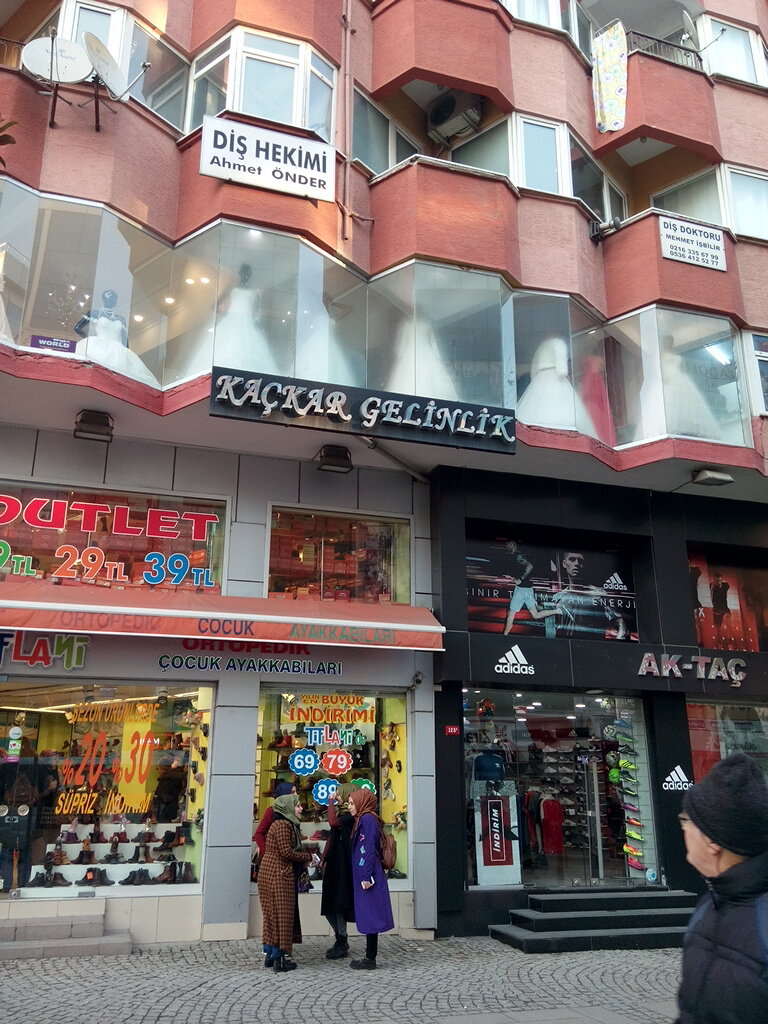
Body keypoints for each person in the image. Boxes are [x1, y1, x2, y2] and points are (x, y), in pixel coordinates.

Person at [675, 753, 768, 1024]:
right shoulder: (710, 904)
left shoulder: (762, 924)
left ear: (712, 841)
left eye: (686, 820)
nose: (683, 829)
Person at [257, 793, 316, 973]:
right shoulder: (283, 824)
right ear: (288, 808)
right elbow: (286, 852)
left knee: (272, 914)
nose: (301, 808)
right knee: (281, 915)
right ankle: (279, 960)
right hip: (278, 873)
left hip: (272, 872)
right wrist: (308, 857)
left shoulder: (283, 824)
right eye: (297, 805)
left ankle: (270, 954)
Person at [347, 787, 394, 970]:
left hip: (369, 875)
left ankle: (370, 958)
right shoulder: (364, 818)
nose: (349, 807)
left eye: (352, 803)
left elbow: (368, 848)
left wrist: (366, 876)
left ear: (361, 802)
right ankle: (369, 957)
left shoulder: (367, 819)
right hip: (366, 873)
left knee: (371, 914)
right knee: (369, 914)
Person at [74, 289, 158, 387]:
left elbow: (125, 339)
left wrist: (126, 355)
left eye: (115, 298)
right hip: (100, 346)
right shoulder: (95, 313)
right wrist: (90, 339)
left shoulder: (121, 319)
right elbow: (78, 328)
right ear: (104, 299)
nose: (113, 300)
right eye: (110, 298)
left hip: (118, 350)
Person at [551, 550, 628, 640]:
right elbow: (551, 627)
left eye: (580, 561)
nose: (576, 563)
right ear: (564, 564)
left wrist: (618, 643)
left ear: (585, 565)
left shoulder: (598, 594)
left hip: (592, 646)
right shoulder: (558, 597)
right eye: (572, 559)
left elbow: (620, 623)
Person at [321, 782, 357, 960]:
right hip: (335, 863)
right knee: (330, 904)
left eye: (339, 793)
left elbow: (333, 823)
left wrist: (330, 801)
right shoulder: (344, 815)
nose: (337, 795)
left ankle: (341, 940)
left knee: (338, 903)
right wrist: (324, 857)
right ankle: (340, 938)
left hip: (343, 865)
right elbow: (332, 836)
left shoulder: (349, 818)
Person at [501, 540, 558, 634]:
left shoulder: (517, 556)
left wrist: (520, 579)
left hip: (522, 589)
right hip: (526, 589)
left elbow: (530, 566)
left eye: (508, 543)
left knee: (511, 615)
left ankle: (504, 636)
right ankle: (558, 610)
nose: (506, 545)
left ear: (514, 545)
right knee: (535, 615)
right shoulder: (515, 555)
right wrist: (514, 578)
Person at [253, 780, 296, 857]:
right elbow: (259, 834)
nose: (296, 795)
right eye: (293, 792)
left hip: (287, 854)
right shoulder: (272, 811)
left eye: (296, 792)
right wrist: (267, 852)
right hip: (273, 856)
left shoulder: (293, 810)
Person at [153, 754, 187, 823]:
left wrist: (165, 799)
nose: (157, 770)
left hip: (166, 808)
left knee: (163, 823)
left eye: (159, 768)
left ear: (165, 768)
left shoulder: (166, 779)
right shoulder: (173, 777)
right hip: (169, 807)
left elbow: (163, 794)